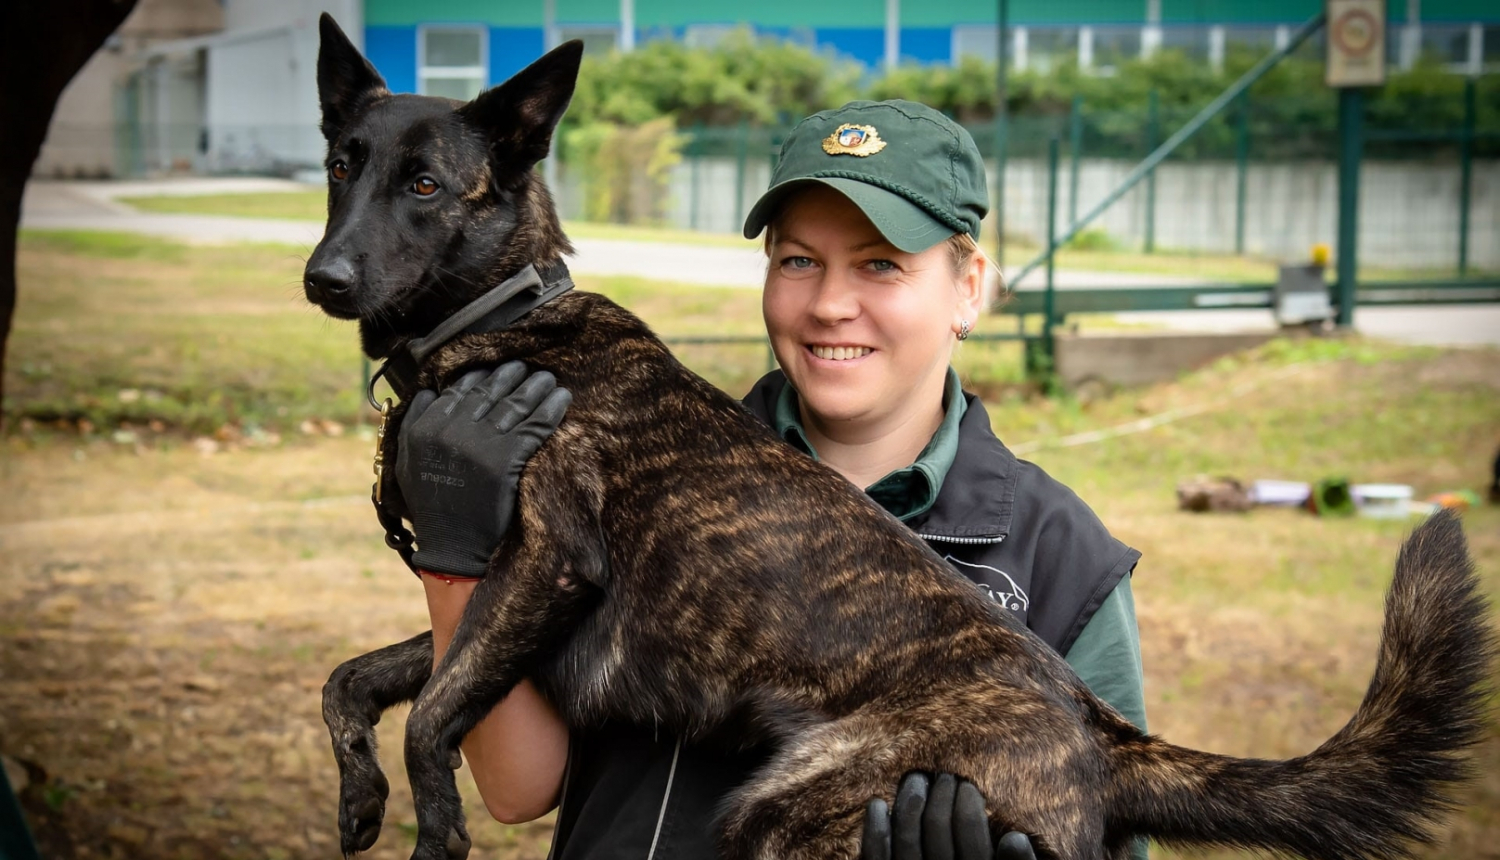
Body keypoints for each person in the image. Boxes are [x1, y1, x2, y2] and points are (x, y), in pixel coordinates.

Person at [398, 99, 1146, 859]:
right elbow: (518, 789)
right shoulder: (635, 462)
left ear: (969, 288)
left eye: (881, 264)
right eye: (798, 261)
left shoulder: (1059, 556)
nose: (830, 305)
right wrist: (457, 555)